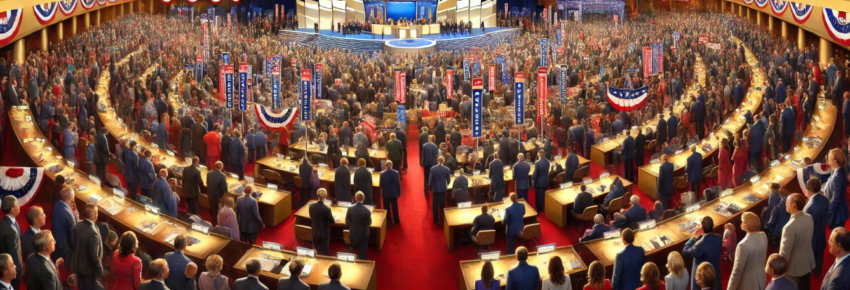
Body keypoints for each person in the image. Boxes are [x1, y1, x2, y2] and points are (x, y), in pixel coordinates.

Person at [779, 193, 815, 290]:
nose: (785, 204)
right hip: (808, 263)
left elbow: (784, 254)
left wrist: (779, 271)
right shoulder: (809, 217)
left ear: (794, 205)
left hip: (794, 269)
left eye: (787, 202)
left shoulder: (789, 227)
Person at [727, 212, 767, 290]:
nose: (740, 224)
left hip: (747, 284)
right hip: (761, 278)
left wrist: (730, 288)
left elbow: (737, 271)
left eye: (742, 222)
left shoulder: (742, 245)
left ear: (748, 224)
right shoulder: (763, 235)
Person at [682, 216, 722, 290]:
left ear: (702, 229)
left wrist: (693, 238)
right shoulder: (719, 238)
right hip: (715, 274)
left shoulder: (699, 245)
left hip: (702, 278)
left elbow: (685, 250)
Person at [71, 202, 103, 290]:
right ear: (95, 215)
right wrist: (99, 269)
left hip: (78, 266)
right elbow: (94, 256)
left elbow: (74, 243)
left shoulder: (79, 224)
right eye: (96, 212)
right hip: (88, 271)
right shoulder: (93, 233)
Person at [804, 178, 829, 276]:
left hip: (812, 236)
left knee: (813, 254)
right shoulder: (825, 199)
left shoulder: (809, 207)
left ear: (808, 190)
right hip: (822, 233)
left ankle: (812, 271)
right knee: (820, 253)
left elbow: (808, 225)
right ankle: (818, 271)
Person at [0, 199, 23, 290]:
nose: (19, 207)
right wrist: (18, 272)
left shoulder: (4, 220)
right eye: (17, 205)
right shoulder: (10, 230)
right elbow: (14, 253)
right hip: (10, 271)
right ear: (12, 209)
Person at [824, 149, 848, 229]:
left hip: (837, 216)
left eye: (830, 157)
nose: (828, 159)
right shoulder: (837, 170)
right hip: (838, 213)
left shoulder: (837, 176)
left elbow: (835, 199)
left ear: (835, 161)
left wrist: (828, 215)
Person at [52, 188, 75, 271]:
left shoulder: (58, 204)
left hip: (56, 240)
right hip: (64, 246)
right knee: (65, 268)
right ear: (70, 198)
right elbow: (72, 235)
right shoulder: (67, 213)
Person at [346, 192, 372, 260]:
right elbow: (369, 223)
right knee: (363, 255)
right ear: (363, 198)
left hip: (353, 235)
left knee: (353, 254)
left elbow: (347, 221)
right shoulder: (367, 211)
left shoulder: (350, 209)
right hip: (363, 236)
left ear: (355, 198)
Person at [310, 189, 335, 256]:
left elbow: (311, 217)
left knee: (316, 249)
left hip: (315, 230)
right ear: (325, 196)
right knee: (325, 251)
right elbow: (332, 222)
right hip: (324, 232)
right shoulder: (327, 209)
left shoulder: (311, 205)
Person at [429, 156, 450, 224]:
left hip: (435, 189)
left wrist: (431, 187)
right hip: (443, 189)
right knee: (443, 205)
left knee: (435, 205)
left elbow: (430, 181)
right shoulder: (447, 169)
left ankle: (435, 219)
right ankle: (443, 219)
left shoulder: (432, 169)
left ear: (437, 161)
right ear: (443, 161)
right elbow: (448, 181)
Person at [380, 160, 401, 226]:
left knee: (386, 208)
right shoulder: (396, 173)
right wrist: (399, 192)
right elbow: (398, 184)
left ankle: (388, 222)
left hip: (386, 193)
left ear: (385, 166)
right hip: (394, 192)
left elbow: (381, 185)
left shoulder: (382, 173)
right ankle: (396, 220)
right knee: (395, 207)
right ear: (391, 165)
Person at [207, 161, 228, 225]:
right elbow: (225, 189)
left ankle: (213, 223)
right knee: (216, 212)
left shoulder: (209, 174)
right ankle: (215, 225)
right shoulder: (223, 176)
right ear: (221, 167)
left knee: (212, 211)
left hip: (210, 195)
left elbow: (208, 184)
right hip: (217, 197)